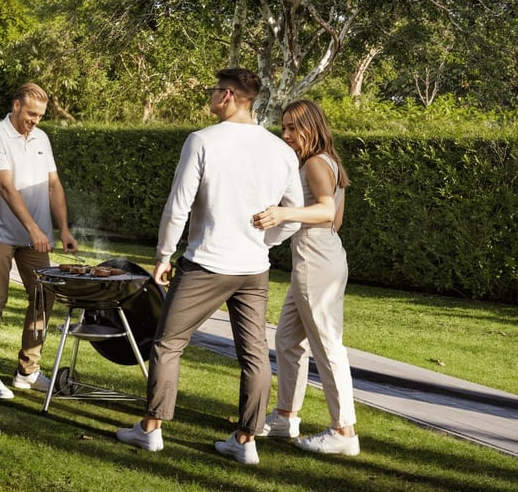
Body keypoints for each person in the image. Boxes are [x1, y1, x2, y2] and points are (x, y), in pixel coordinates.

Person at [117, 68, 302, 465]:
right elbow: (293, 215)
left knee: (168, 343)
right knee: (254, 353)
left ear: (229, 96)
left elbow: (178, 206)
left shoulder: (202, 140)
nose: (211, 96)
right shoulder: (282, 151)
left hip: (206, 263)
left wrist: (163, 256)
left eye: (215, 90)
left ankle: (150, 429)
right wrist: (265, 242)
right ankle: (246, 440)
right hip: (253, 268)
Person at [253, 99, 359, 456]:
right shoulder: (331, 162)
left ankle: (344, 432)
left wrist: (283, 213)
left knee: (327, 345)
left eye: (292, 128)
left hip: (316, 261)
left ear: (310, 127)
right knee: (286, 339)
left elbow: (326, 210)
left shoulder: (315, 162)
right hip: (323, 255)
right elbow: (336, 220)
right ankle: (286, 416)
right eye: (283, 127)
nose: (285, 134)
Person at [0, 81, 76, 401]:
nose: (35, 120)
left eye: (40, 115)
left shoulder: (41, 138)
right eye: (31, 113)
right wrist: (33, 229)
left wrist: (63, 229)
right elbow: (5, 187)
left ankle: (27, 371)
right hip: (1, 234)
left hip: (36, 239)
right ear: (16, 106)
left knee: (44, 299)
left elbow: (53, 185)